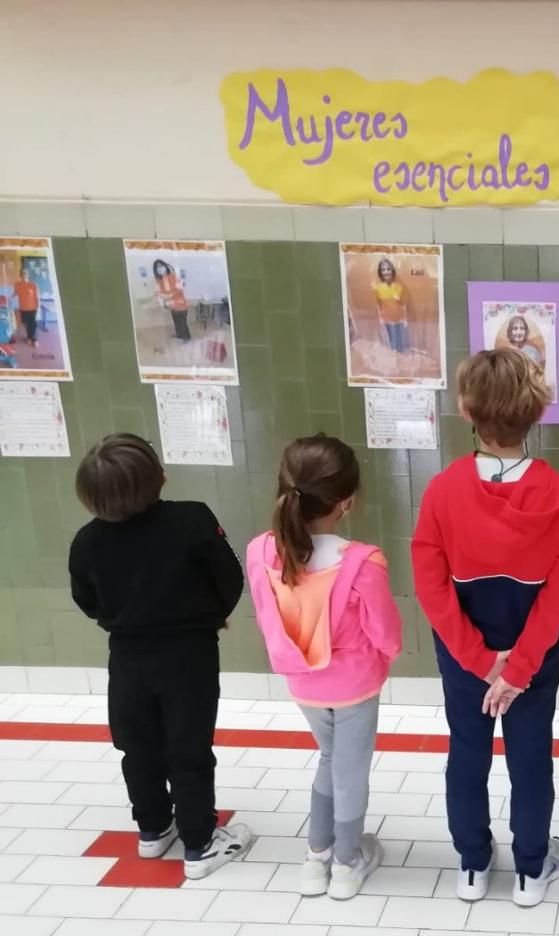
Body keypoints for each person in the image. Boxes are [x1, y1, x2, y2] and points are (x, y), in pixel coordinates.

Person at [411, 348, 559, 907]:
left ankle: (472, 865)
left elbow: (432, 588)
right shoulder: (557, 493)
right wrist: (519, 664)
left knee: (467, 754)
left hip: (465, 660)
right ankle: (531, 870)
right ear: (536, 413)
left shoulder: (442, 490)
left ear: (465, 409)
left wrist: (483, 663)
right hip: (532, 658)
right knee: (531, 759)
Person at [67, 434, 254, 879]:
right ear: (160, 477)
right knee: (188, 747)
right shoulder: (191, 519)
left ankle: (152, 829)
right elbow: (228, 578)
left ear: (89, 496)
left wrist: (123, 619)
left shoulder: (86, 542)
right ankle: (200, 843)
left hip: (127, 656)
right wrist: (210, 616)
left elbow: (87, 599)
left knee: (138, 746)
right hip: (189, 654)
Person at [246, 435, 402, 900]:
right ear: (346, 502)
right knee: (351, 770)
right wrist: (384, 659)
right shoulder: (362, 562)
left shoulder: (260, 551)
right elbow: (387, 635)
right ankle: (347, 862)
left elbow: (263, 610)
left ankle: (317, 856)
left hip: (301, 683)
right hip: (354, 686)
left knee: (331, 758)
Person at [372, 258, 410, 353]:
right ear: (380, 272)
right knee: (390, 343)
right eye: (383, 270)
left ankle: (399, 356)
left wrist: (405, 319)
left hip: (399, 320)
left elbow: (403, 304)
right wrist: (380, 318)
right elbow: (378, 305)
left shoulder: (399, 287)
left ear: (392, 270)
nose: (386, 272)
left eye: (388, 269)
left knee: (400, 343)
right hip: (386, 320)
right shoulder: (377, 288)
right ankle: (393, 356)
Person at [152, 259, 192, 343]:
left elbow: (180, 290)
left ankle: (186, 338)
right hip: (172, 306)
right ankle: (179, 335)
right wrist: (162, 298)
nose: (160, 268)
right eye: (157, 268)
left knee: (182, 323)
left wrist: (168, 295)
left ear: (165, 266)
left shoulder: (174, 276)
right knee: (177, 322)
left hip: (181, 305)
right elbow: (158, 292)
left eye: (161, 266)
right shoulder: (159, 280)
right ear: (156, 270)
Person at [13, 267, 41, 347]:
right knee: (26, 324)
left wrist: (38, 309)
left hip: (33, 308)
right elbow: (15, 293)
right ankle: (29, 338)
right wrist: (9, 297)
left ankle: (34, 340)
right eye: (22, 273)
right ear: (20, 275)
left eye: (25, 273)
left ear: (28, 275)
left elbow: (37, 298)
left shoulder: (33, 285)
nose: (23, 275)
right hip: (23, 308)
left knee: (33, 324)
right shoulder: (17, 284)